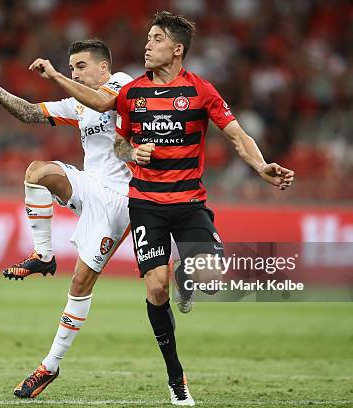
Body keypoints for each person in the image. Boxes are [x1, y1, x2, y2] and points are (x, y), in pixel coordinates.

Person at [54, 11, 295, 406]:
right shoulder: (131, 94)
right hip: (146, 203)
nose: (147, 45)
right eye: (147, 38)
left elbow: (237, 135)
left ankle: (188, 277)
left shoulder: (201, 91)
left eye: (156, 39)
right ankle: (175, 377)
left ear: (176, 49)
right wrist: (133, 151)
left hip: (189, 202)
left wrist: (261, 166)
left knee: (211, 277)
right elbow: (119, 142)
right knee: (155, 287)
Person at [0, 39, 133, 399]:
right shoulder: (78, 103)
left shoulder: (122, 83)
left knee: (80, 285)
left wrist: (56, 76)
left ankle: (49, 366)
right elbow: (29, 112)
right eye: (71, 67)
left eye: (81, 66)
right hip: (90, 186)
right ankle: (43, 255)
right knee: (37, 172)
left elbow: (103, 102)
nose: (75, 72)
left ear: (104, 68)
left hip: (120, 201)